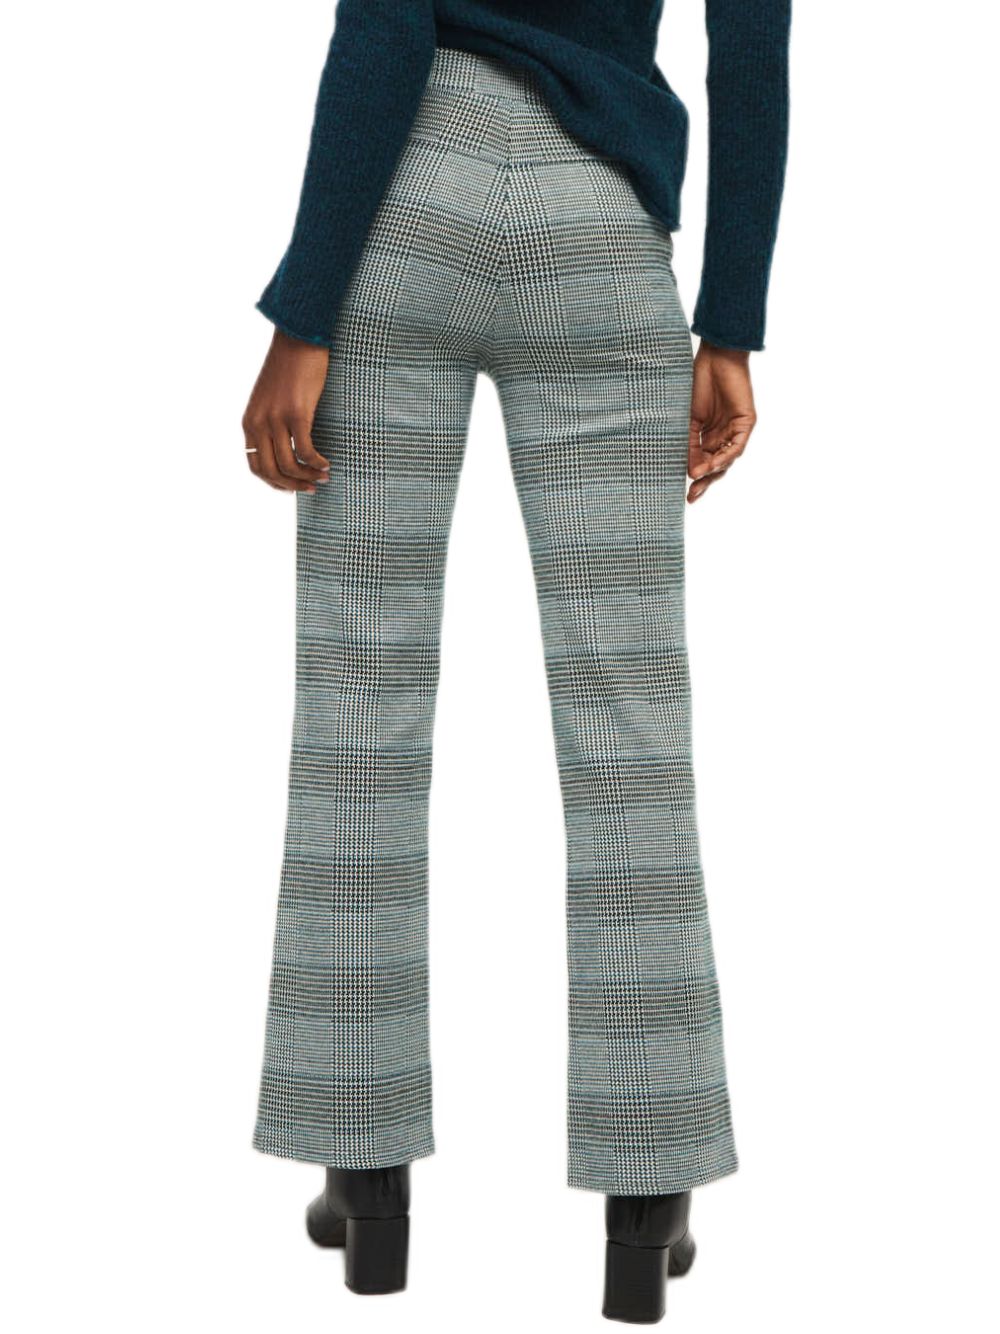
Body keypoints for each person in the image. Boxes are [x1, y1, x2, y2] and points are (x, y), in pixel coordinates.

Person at [241, 2, 790, 1322]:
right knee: (630, 731)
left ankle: (365, 1171)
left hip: (410, 201)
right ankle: (646, 1194)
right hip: (601, 225)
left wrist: (304, 309)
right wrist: (730, 322)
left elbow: (384, 19)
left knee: (359, 705)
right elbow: (752, 49)